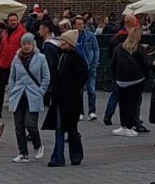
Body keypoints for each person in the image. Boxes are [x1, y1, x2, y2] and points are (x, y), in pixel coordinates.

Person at [46, 28, 88, 165]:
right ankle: (58, 157)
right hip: (60, 98)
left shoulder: (76, 58)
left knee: (70, 128)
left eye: (64, 41)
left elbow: (83, 76)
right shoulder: (62, 56)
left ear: (70, 43)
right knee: (60, 128)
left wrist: (72, 88)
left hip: (70, 99)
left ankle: (73, 156)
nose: (61, 42)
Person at [7, 30, 49, 160]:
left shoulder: (41, 58)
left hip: (33, 95)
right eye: (24, 44)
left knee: (30, 124)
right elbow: (12, 77)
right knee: (19, 126)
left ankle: (38, 145)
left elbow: (46, 77)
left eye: (29, 44)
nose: (26, 46)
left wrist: (41, 91)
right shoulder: (16, 58)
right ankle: (23, 153)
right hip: (18, 95)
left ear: (33, 45)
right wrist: (11, 90)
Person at [111, 22, 148, 137]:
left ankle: (123, 126)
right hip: (136, 80)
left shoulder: (119, 47)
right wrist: (144, 77)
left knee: (123, 104)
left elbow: (113, 64)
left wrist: (116, 77)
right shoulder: (139, 49)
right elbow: (145, 65)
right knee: (133, 104)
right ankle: (130, 127)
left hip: (121, 80)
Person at [77, 13, 101, 119]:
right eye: (78, 24)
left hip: (90, 65)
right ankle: (80, 112)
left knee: (91, 89)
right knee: (79, 90)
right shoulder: (73, 36)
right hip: (79, 67)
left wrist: (95, 63)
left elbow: (96, 49)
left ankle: (92, 111)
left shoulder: (90, 35)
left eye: (82, 24)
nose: (81, 26)